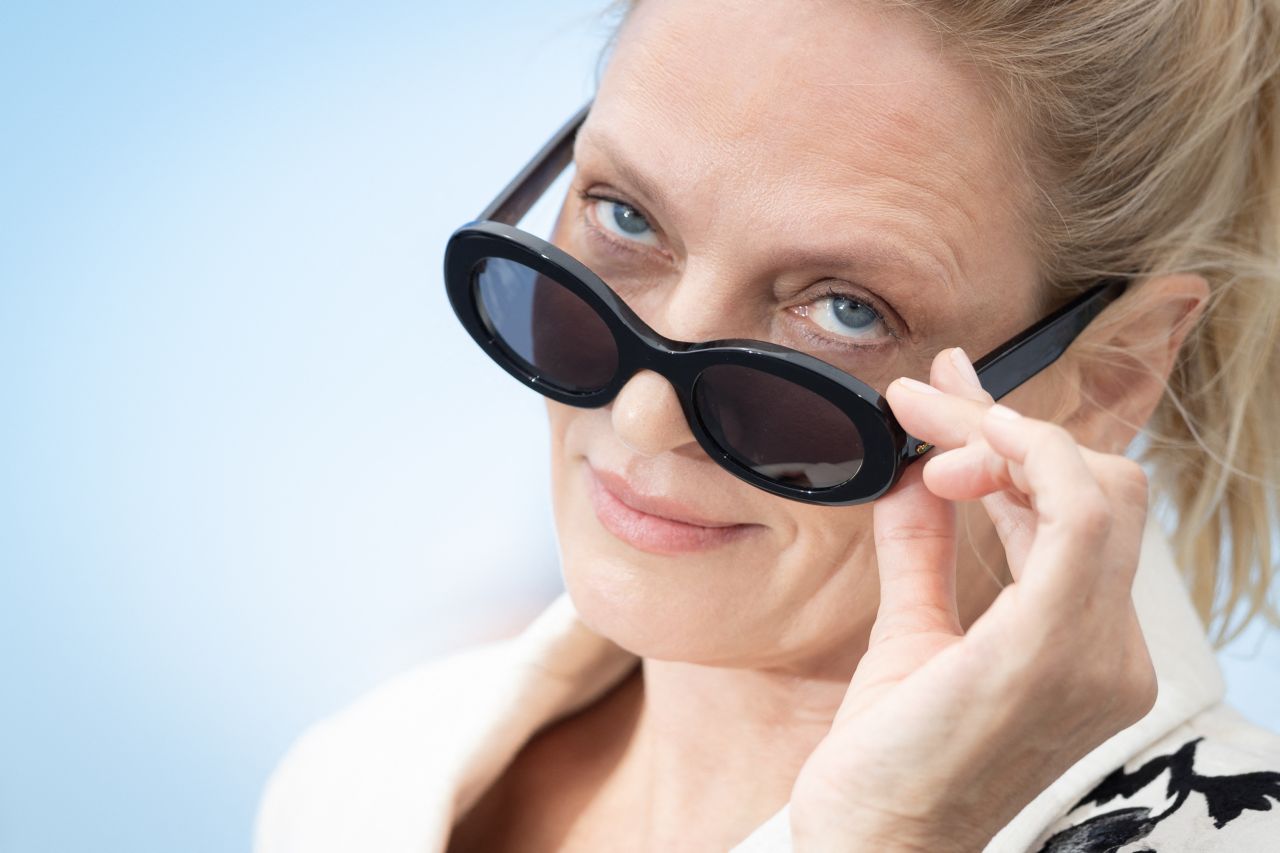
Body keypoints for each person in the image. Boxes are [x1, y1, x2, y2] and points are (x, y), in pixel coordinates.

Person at [253, 0, 1280, 850]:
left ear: (1108, 376)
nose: (643, 415)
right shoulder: (359, 777)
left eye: (843, 310)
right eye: (624, 215)